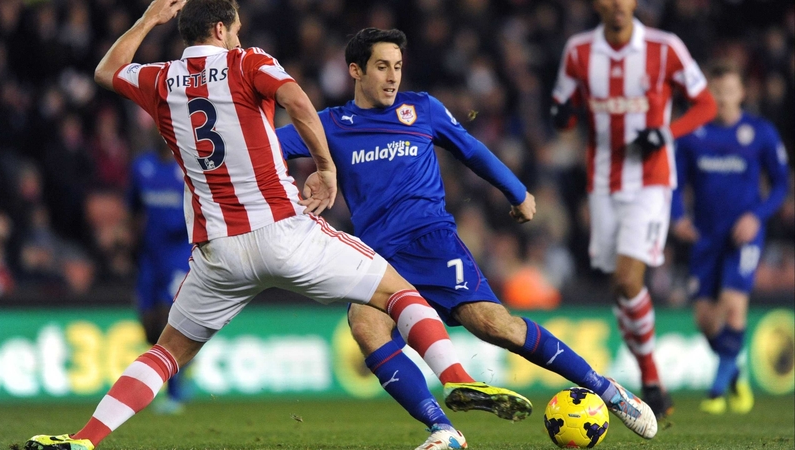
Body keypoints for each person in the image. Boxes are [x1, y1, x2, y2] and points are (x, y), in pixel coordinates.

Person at [24, 2, 529, 450]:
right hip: (284, 231)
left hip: (217, 251)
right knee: (401, 295)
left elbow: (107, 69)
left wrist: (151, 16)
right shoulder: (249, 62)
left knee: (167, 352)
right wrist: (326, 168)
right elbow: (298, 101)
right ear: (221, 28)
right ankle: (458, 377)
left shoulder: (159, 78)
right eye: (236, 28)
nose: (239, 36)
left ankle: (84, 440)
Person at [278, 27, 658, 446]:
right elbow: (267, 149)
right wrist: (310, 174)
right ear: (355, 70)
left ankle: (609, 391)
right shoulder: (331, 124)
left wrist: (518, 192)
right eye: (382, 67)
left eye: (398, 67)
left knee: (497, 327)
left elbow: (471, 150)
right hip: (378, 256)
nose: (392, 77)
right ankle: (444, 429)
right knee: (365, 326)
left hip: (432, 242)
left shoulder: (421, 109)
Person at [550, 0, 717, 418]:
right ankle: (648, 379)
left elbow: (705, 104)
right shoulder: (578, 51)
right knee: (620, 289)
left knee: (628, 280)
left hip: (651, 182)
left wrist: (666, 132)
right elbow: (563, 115)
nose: (617, 5)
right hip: (602, 184)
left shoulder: (665, 47)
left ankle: (653, 382)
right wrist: (562, 116)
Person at [671, 63, 790, 415]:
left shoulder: (760, 132)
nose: (721, 98)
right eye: (715, 92)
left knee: (734, 304)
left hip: (744, 234)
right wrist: (678, 218)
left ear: (742, 93)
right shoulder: (693, 134)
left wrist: (757, 216)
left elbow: (781, 183)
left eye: (728, 91)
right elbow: (676, 182)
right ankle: (734, 371)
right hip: (706, 235)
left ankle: (717, 392)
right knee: (705, 319)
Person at [126, 138, 192, 414]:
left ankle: (174, 394)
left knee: (168, 317)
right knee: (148, 324)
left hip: (179, 253)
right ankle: (182, 368)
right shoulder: (142, 166)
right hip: (150, 254)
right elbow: (133, 209)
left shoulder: (187, 167)